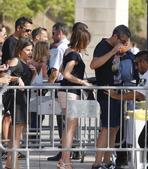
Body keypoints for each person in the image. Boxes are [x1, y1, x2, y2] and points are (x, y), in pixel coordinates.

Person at [90, 24, 131, 169]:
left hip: (118, 91)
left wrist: (125, 50)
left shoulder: (121, 48)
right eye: (123, 41)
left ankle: (107, 161)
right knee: (106, 128)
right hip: (106, 92)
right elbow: (93, 64)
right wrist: (113, 51)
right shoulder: (103, 46)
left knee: (115, 127)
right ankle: (97, 163)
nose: (124, 44)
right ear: (115, 37)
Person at [56, 27, 91, 169]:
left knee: (68, 128)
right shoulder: (74, 55)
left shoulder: (67, 51)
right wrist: (82, 82)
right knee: (70, 128)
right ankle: (66, 161)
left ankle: (63, 160)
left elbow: (60, 70)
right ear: (81, 40)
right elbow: (66, 73)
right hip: (70, 92)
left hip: (66, 91)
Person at [4, 39, 36, 169]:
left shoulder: (25, 63)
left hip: (22, 100)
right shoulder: (15, 60)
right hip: (15, 100)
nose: (30, 53)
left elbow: (27, 84)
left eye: (31, 50)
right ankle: (13, 165)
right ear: (19, 50)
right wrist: (17, 78)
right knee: (16, 136)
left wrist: (33, 73)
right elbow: (6, 76)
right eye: (27, 50)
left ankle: (10, 164)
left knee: (18, 136)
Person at [47, 22, 69, 161]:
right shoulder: (70, 46)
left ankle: (63, 152)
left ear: (60, 32)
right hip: (69, 87)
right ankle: (71, 150)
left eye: (54, 33)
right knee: (70, 120)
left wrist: (48, 87)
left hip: (60, 86)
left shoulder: (58, 48)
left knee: (62, 120)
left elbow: (54, 72)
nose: (52, 35)